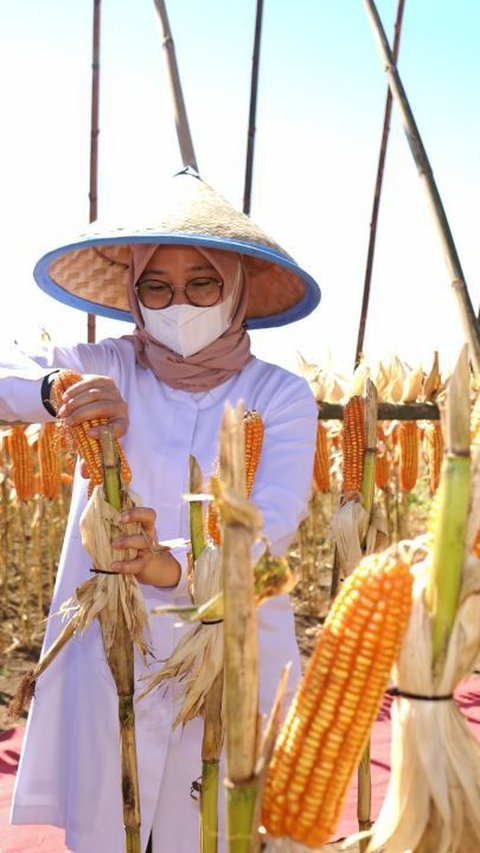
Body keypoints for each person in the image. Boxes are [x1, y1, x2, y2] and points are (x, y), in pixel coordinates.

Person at [5, 169, 321, 852]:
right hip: (112, 652)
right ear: (134, 294)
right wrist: (56, 390)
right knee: (114, 824)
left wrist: (166, 568)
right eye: (157, 286)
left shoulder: (281, 395)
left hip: (232, 655)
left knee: (212, 829)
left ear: (236, 286)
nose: (179, 303)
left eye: (202, 283)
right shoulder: (106, 365)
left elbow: (271, 527)